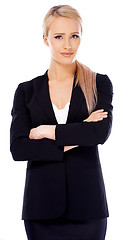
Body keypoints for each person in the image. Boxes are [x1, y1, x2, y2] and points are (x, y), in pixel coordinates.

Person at [10, 5, 113, 240]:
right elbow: (19, 148)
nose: (67, 45)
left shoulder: (98, 84)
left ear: (81, 37)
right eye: (59, 37)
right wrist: (79, 132)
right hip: (41, 208)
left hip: (88, 207)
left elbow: (99, 133)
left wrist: (46, 131)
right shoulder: (26, 91)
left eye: (74, 36)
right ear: (46, 39)